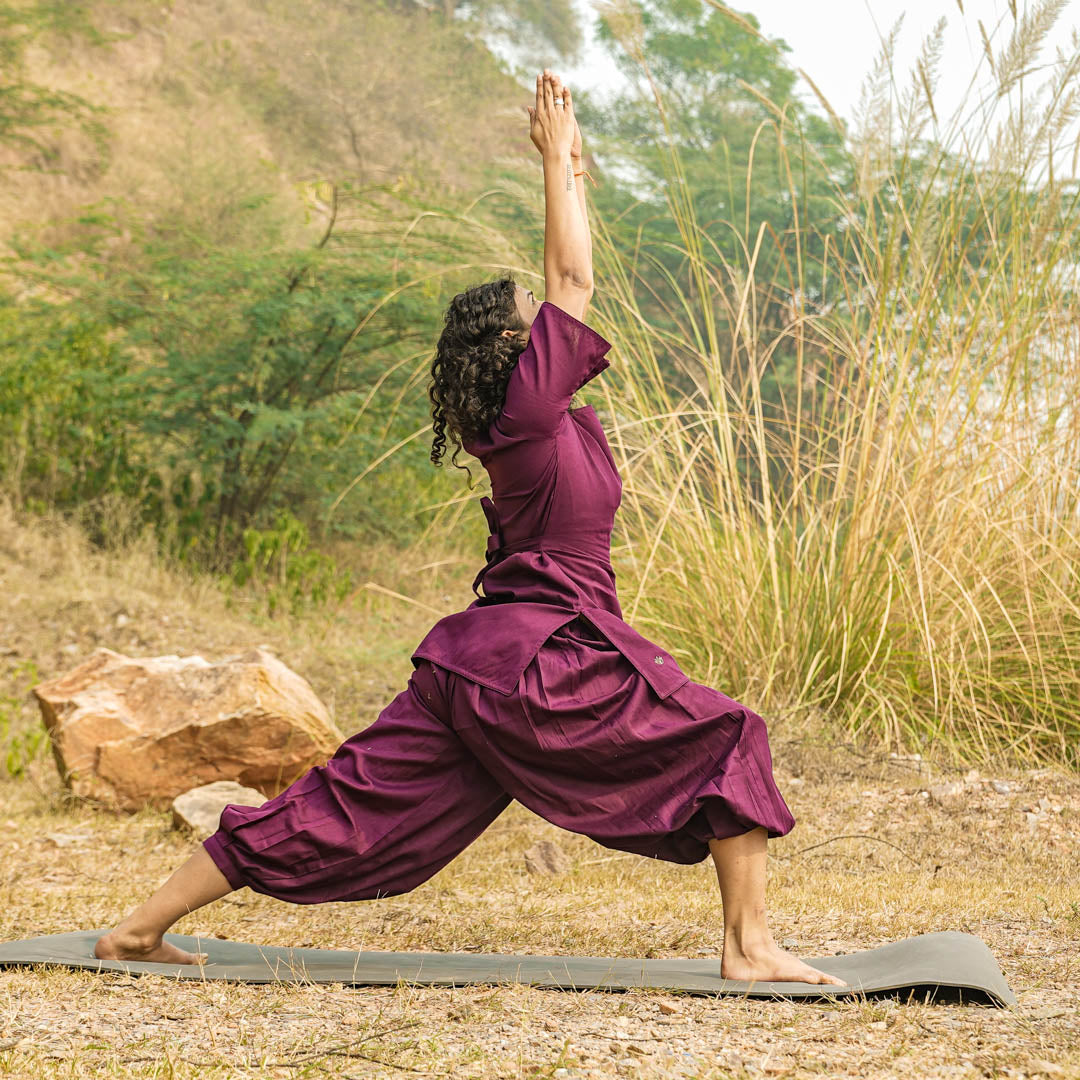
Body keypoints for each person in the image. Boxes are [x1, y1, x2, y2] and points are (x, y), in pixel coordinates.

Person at [94, 70, 844, 988]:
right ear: (513, 355)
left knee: (341, 801)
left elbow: (570, 275)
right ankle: (748, 946)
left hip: (476, 664)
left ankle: (137, 929)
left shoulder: (534, 419)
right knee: (729, 738)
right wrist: (554, 159)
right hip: (535, 660)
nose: (551, 327)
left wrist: (575, 176)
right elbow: (573, 275)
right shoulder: (528, 415)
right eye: (534, 327)